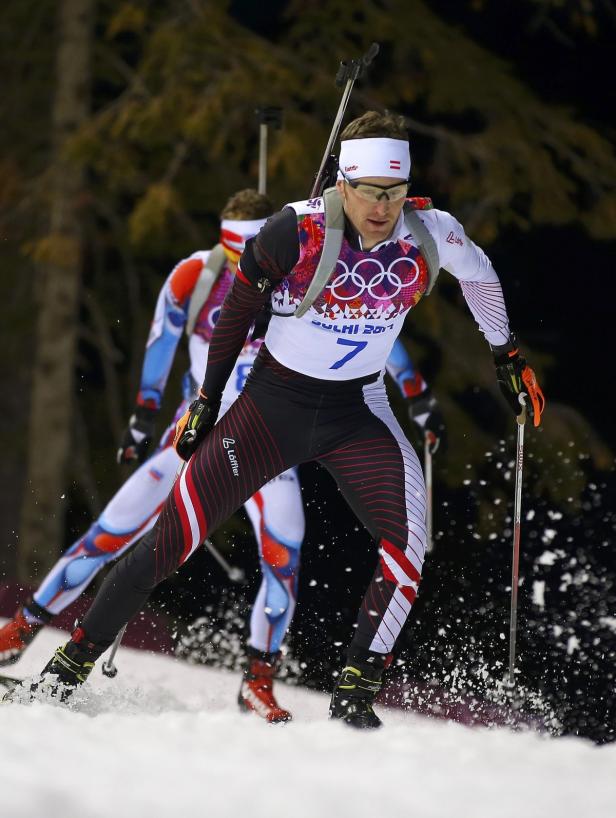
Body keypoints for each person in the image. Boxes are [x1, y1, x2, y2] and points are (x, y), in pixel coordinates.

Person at [27, 110, 539, 729]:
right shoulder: (294, 231)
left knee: (410, 547)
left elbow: (481, 277)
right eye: (372, 193)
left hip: (357, 412)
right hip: (271, 410)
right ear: (343, 182)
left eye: (396, 193)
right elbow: (234, 316)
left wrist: (506, 353)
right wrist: (206, 403)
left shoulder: (430, 233)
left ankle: (356, 687)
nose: (383, 208)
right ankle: (67, 670)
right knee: (167, 544)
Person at [2, 184, 444, 722]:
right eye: (231, 251)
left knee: (285, 555)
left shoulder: (304, 266)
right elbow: (162, 339)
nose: (241, 264)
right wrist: (144, 415)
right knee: (117, 534)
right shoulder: (198, 274)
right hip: (197, 432)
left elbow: (373, 324)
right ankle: (23, 630)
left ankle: (259, 678)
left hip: (261, 435)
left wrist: (416, 392)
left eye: (247, 252)